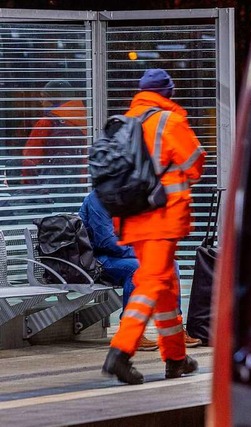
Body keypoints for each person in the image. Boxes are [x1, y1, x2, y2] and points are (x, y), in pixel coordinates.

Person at [101, 68, 206, 385]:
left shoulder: (124, 123)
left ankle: (175, 358)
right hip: (162, 218)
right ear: (168, 93)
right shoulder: (168, 121)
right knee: (151, 283)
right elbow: (195, 164)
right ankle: (120, 352)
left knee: (165, 288)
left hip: (132, 220)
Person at [79, 190, 203, 351]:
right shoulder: (99, 199)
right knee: (137, 269)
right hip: (100, 260)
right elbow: (106, 242)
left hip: (126, 254)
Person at [22, 80, 87, 186]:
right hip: (80, 184)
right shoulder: (90, 119)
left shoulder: (46, 122)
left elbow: (30, 160)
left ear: (54, 98)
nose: (40, 101)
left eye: (44, 96)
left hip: (51, 185)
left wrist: (27, 185)